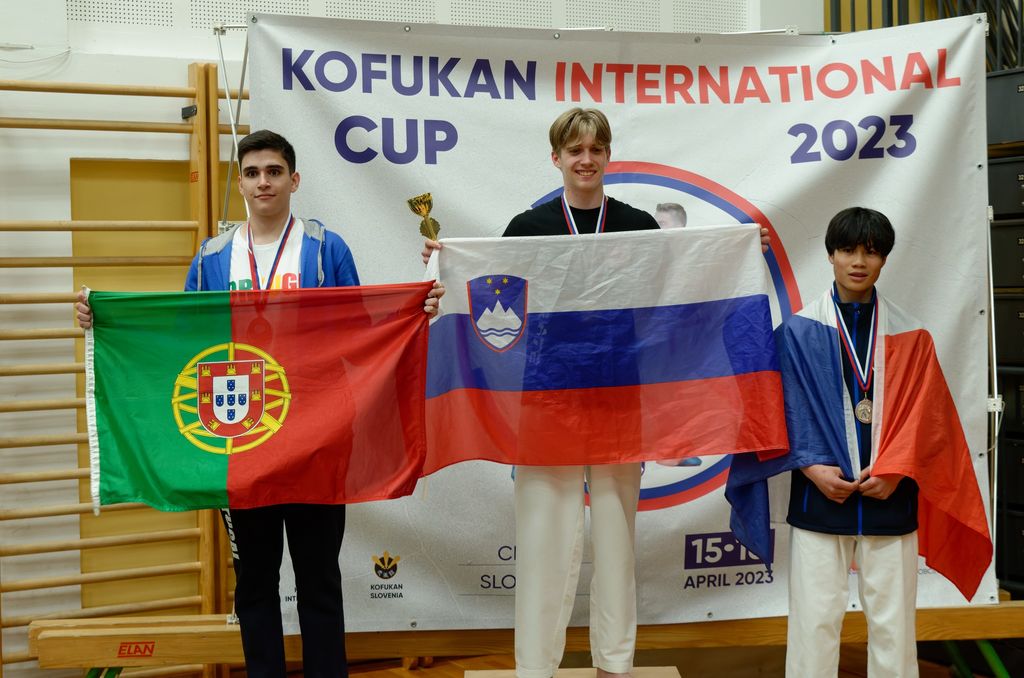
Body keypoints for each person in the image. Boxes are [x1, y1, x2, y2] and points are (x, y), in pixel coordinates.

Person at [77, 129, 443, 678]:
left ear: (294, 180)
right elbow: (184, 340)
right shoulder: (212, 256)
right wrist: (104, 320)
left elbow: (363, 331)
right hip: (241, 437)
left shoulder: (326, 247)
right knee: (254, 581)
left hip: (319, 438)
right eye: (252, 173)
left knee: (319, 580)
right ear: (242, 184)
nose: (263, 182)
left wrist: (414, 311)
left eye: (274, 171)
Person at [422, 108, 769, 678]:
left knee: (615, 542)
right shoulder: (527, 227)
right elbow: (491, 299)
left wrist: (738, 250)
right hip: (546, 402)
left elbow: (679, 291)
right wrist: (447, 271)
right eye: (575, 150)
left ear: (608, 156)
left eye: (596, 149)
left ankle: (615, 663)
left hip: (618, 399)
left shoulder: (636, 224)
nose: (586, 160)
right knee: (543, 543)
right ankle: (535, 668)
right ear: (556, 158)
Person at [726, 206, 991, 678]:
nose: (858, 262)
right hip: (819, 500)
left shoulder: (912, 335)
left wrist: (896, 471)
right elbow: (776, 411)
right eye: (848, 250)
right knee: (813, 628)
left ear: (884, 259)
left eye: (871, 252)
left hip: (890, 499)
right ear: (830, 254)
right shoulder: (798, 332)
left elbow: (930, 422)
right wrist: (810, 467)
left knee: (893, 631)